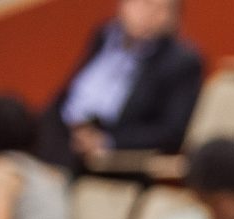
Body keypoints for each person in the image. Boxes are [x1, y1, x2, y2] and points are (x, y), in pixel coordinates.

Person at [37, 0, 203, 172]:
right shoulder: (105, 34)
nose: (150, 14)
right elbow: (70, 92)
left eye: (162, 9)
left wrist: (108, 141)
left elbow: (171, 133)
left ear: (173, 19)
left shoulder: (180, 62)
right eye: (145, 4)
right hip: (61, 127)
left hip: (106, 150)